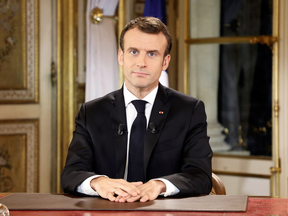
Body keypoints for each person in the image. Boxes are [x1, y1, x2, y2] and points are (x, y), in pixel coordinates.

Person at [61, 17, 213, 203]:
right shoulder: (92, 112)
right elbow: (71, 174)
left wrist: (160, 185)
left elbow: (200, 176)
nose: (141, 62)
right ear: (121, 56)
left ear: (165, 62)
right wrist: (99, 182)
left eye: (151, 54)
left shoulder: (189, 110)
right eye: (133, 51)